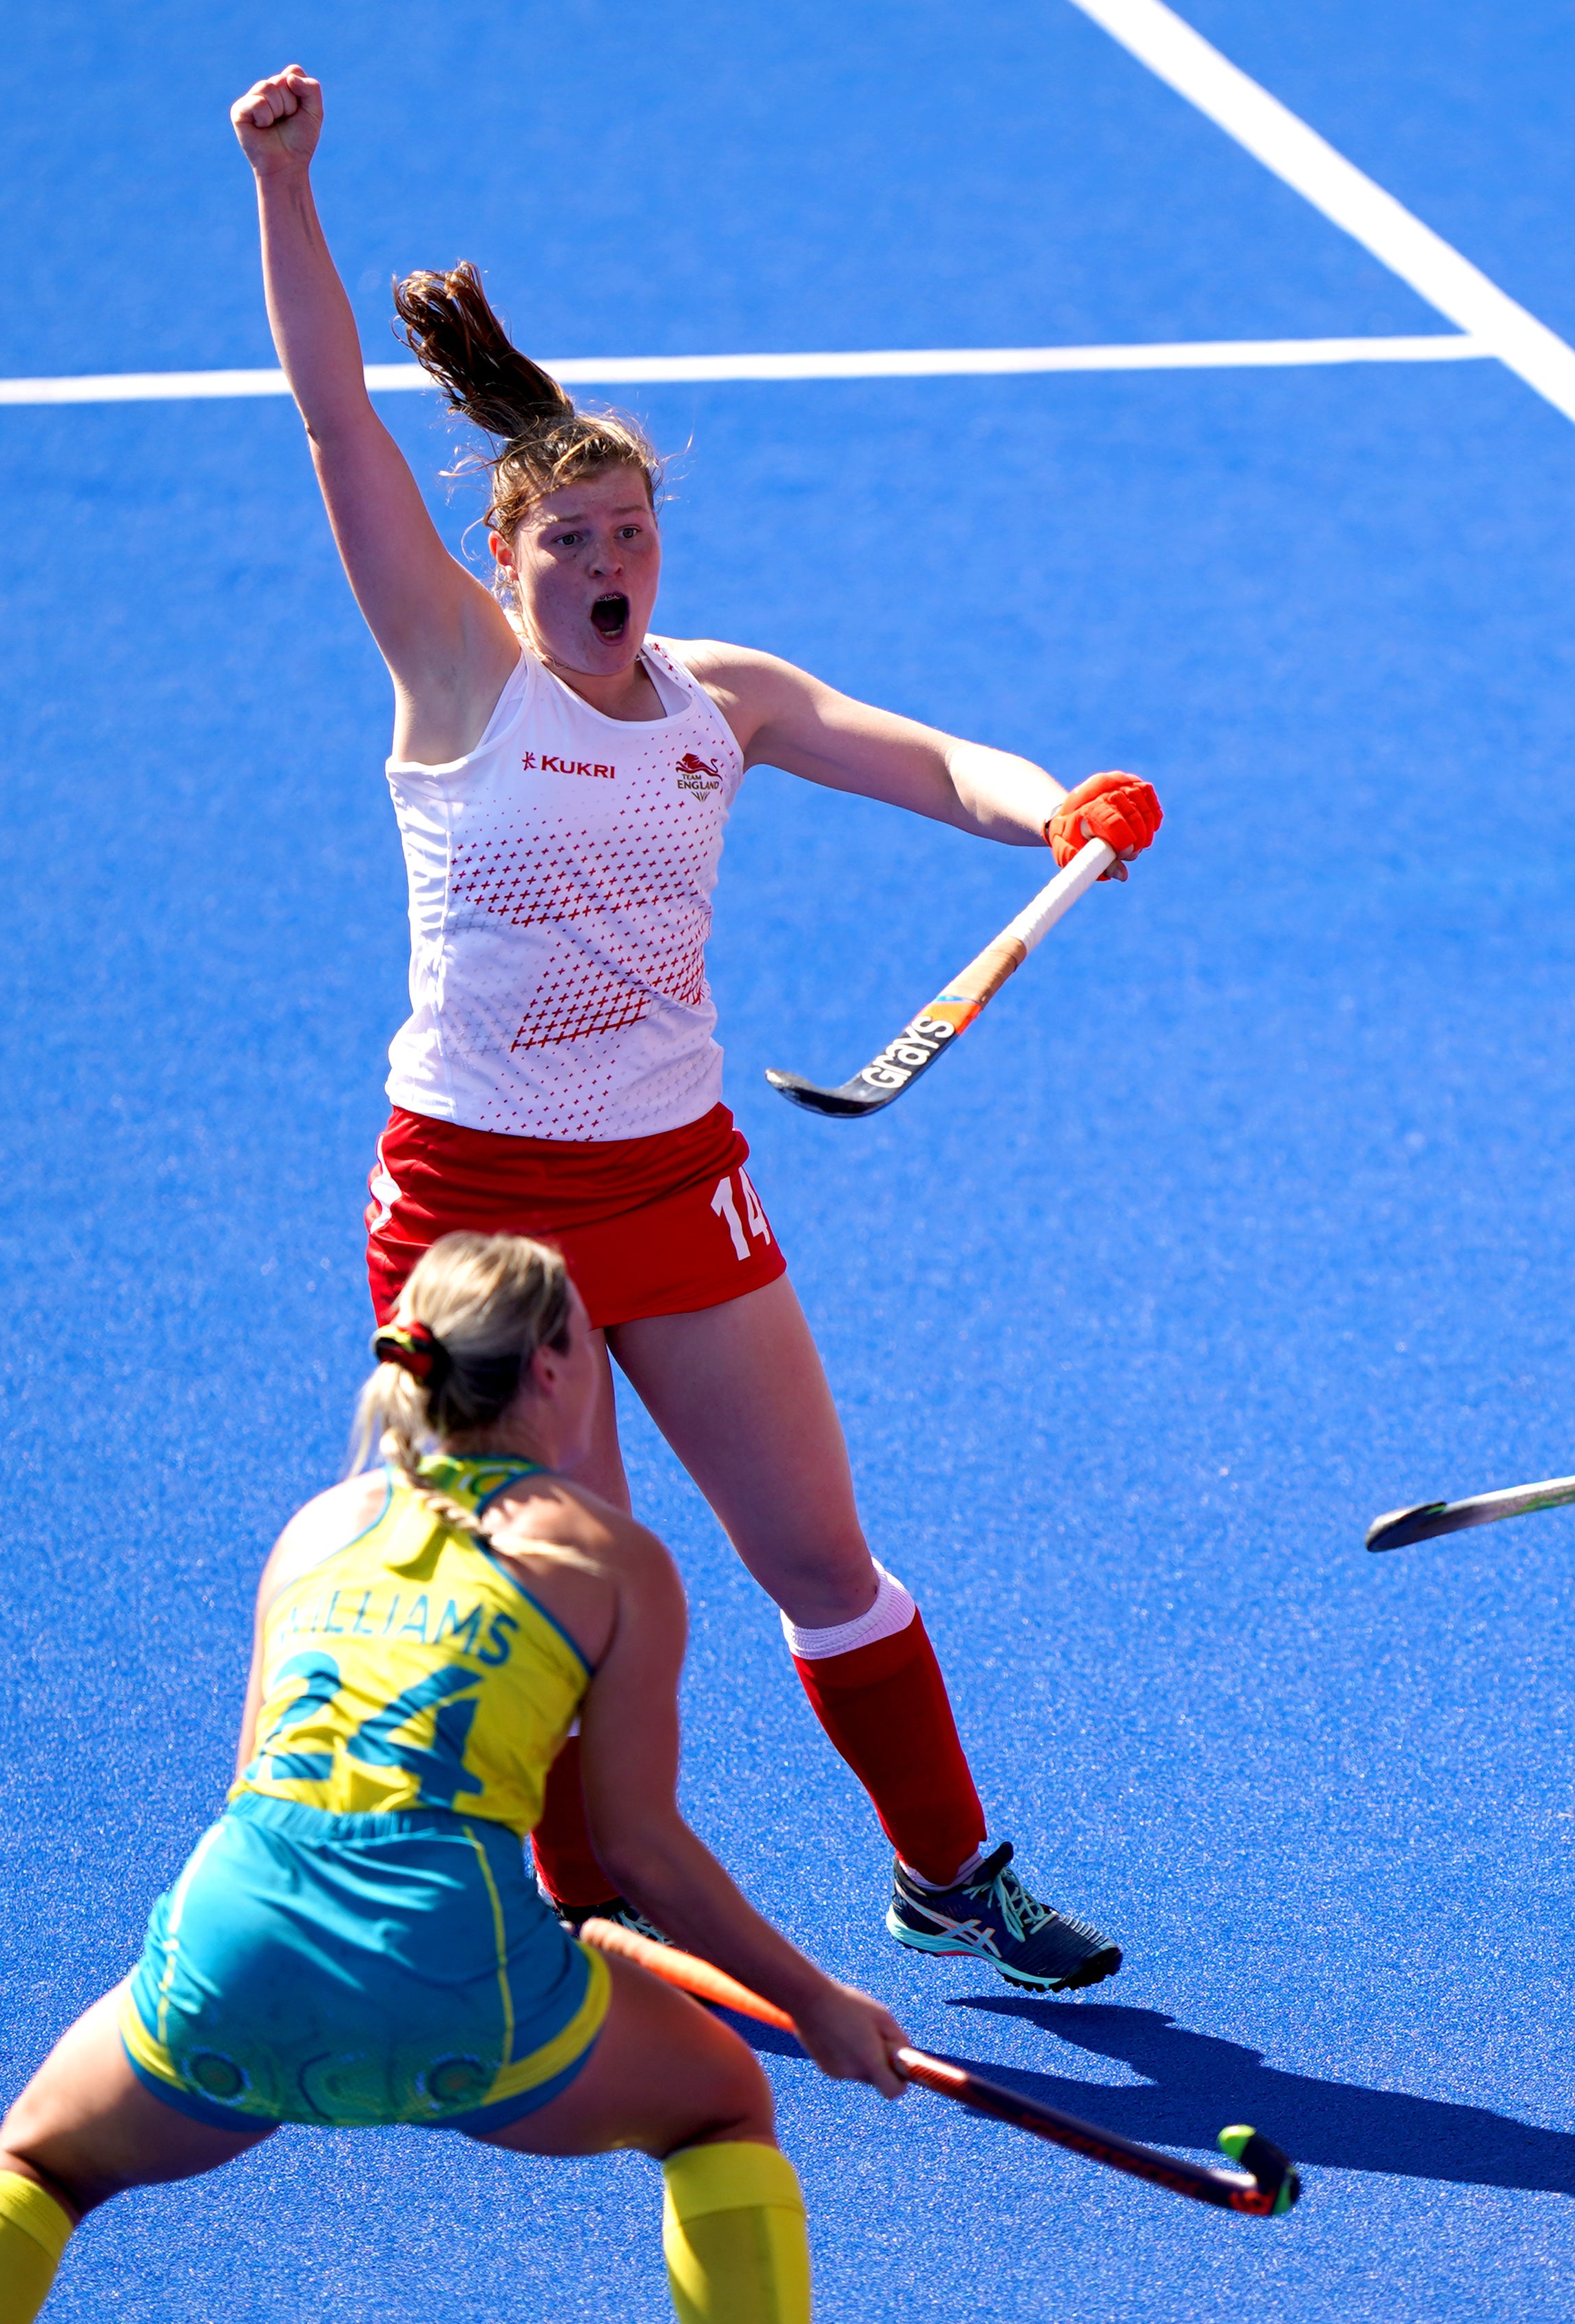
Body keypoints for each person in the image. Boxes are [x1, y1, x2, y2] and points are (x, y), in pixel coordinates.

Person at [232, 65, 1147, 1991]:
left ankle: (943, 1864)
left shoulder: (715, 698)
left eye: (628, 534)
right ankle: (588, 1907)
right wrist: (288, 189)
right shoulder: (459, 677)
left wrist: (1053, 801)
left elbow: (913, 756)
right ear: (504, 566)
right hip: (478, 1214)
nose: (603, 567)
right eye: (565, 543)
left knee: (822, 1560)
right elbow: (335, 430)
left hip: (674, 1183)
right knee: (575, 1591)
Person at [0, 1233, 908, 2324]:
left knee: (37, 2166)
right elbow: (639, 1852)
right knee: (721, 2104)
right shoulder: (610, 1561)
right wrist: (815, 2004)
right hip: (454, 1975)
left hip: (236, 1949)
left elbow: (267, 1794)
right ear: (557, 1368)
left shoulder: (315, 1528)